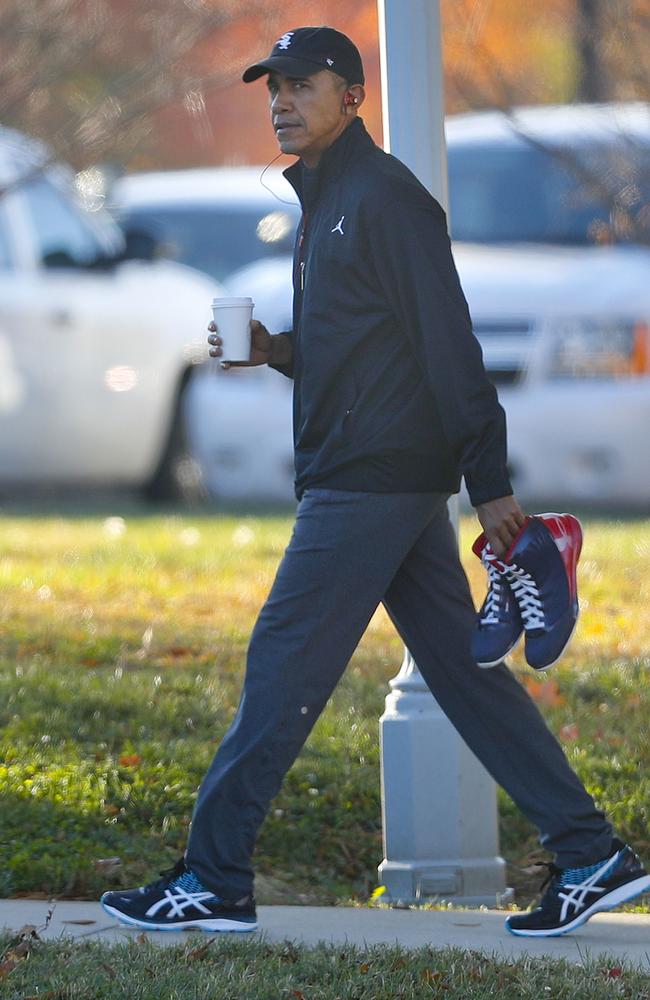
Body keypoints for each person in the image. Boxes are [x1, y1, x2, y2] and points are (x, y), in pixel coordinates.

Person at [101, 26, 649, 938]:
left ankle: (212, 877)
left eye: (301, 85)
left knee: (280, 664)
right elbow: (365, 353)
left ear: (353, 95)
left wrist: (492, 484)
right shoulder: (327, 201)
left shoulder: (386, 201)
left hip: (371, 483)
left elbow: (448, 345)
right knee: (467, 679)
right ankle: (592, 853)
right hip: (374, 476)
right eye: (271, 87)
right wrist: (277, 352)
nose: (281, 101)